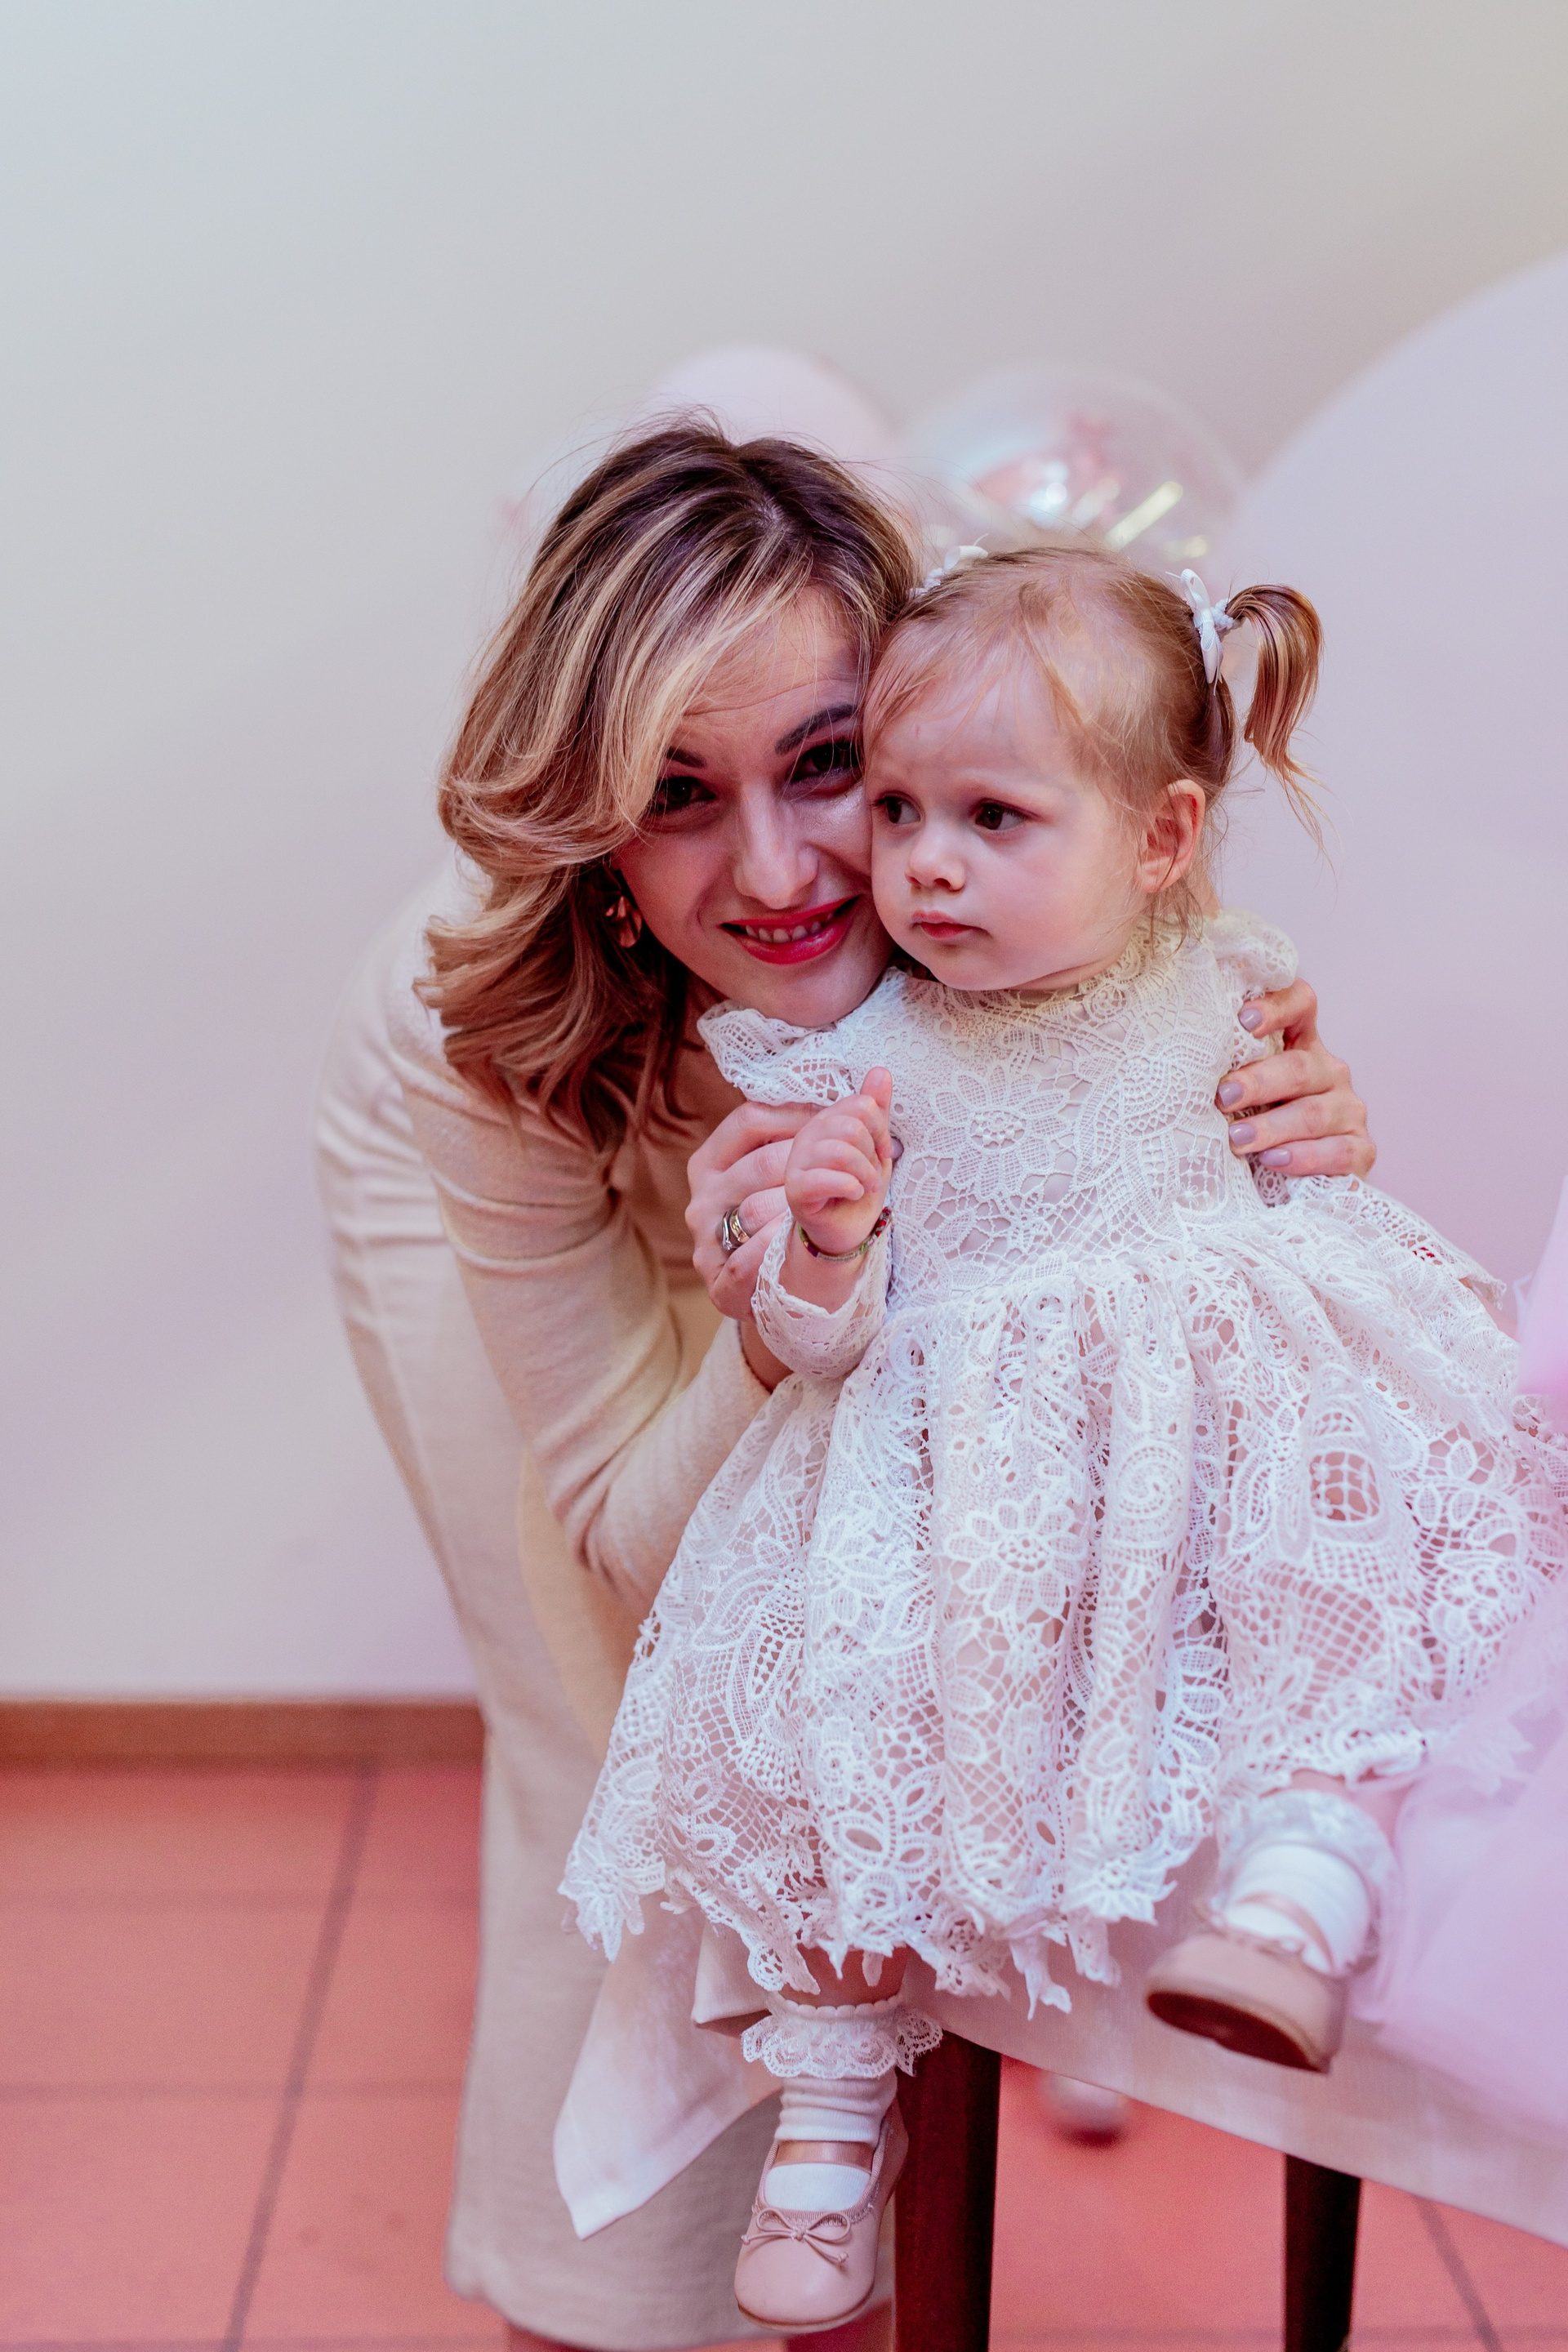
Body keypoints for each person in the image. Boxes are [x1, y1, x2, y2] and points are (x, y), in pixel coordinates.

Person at [316, 430, 1376, 2352]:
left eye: (826, 764)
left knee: (883, 1680)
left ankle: (861, 2197)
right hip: (550, 1088)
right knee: (617, 1729)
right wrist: (771, 1322)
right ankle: (603, 2290)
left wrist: (1284, 1138)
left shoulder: (990, 829)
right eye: (675, 793)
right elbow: (627, 1540)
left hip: (832, 1190)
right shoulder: (478, 1038)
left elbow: (1180, 1164)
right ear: (596, 823)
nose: (787, 870)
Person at [562, 541, 1568, 2333]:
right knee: (840, 1682)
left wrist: (1320, 1167)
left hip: (1202, 1428)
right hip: (986, 1480)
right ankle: (836, 2090)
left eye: (993, 819)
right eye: (899, 808)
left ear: (1162, 840)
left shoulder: (1226, 986)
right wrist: (826, 1243)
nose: (925, 863)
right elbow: (812, 1341)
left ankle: (1306, 1869)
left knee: (1341, 1529)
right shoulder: (855, 1054)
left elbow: (1303, 1197)